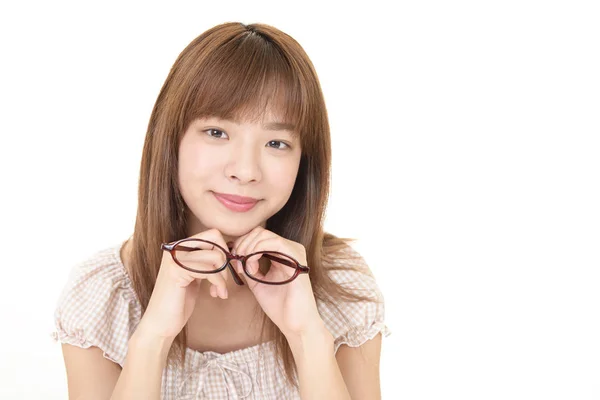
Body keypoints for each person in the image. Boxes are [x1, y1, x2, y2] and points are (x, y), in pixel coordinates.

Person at [52, 22, 391, 399]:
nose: (245, 171)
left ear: (304, 161)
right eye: (217, 133)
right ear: (172, 139)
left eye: (277, 142)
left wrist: (307, 337)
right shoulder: (104, 296)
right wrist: (152, 338)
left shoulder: (341, 288)